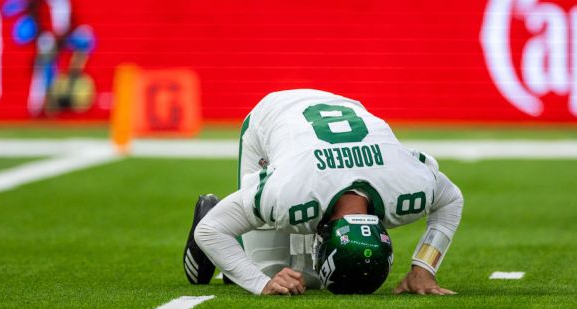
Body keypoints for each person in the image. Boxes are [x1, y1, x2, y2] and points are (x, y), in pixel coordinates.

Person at [183, 89, 463, 296]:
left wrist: (422, 269)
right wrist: (260, 283)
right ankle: (216, 209)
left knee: (301, 279)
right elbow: (210, 231)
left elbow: (451, 199)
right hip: (272, 116)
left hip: (341, 111)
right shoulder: (290, 194)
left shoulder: (408, 190)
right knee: (270, 273)